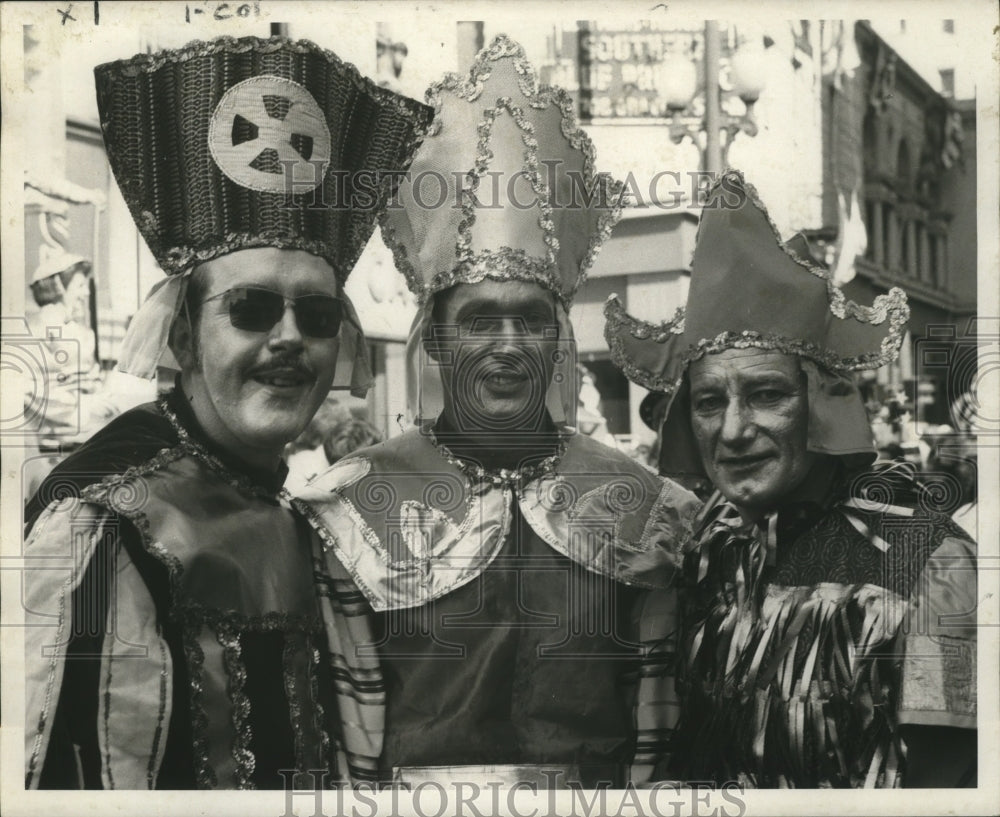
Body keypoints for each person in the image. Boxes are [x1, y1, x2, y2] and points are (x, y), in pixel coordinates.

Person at [23, 35, 431, 789]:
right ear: (183, 334)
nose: (288, 340)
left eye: (314, 315)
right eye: (250, 309)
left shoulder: (302, 516)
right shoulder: (102, 522)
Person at [296, 35, 701, 788]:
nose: (509, 346)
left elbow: (656, 729)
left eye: (533, 320)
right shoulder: (349, 508)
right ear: (436, 341)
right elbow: (352, 746)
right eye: (480, 319)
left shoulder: (648, 508)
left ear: (560, 338)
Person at [604, 170, 977, 788]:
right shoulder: (706, 554)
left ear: (822, 405)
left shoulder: (933, 565)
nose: (733, 431)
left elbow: (947, 789)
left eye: (766, 394)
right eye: (707, 403)